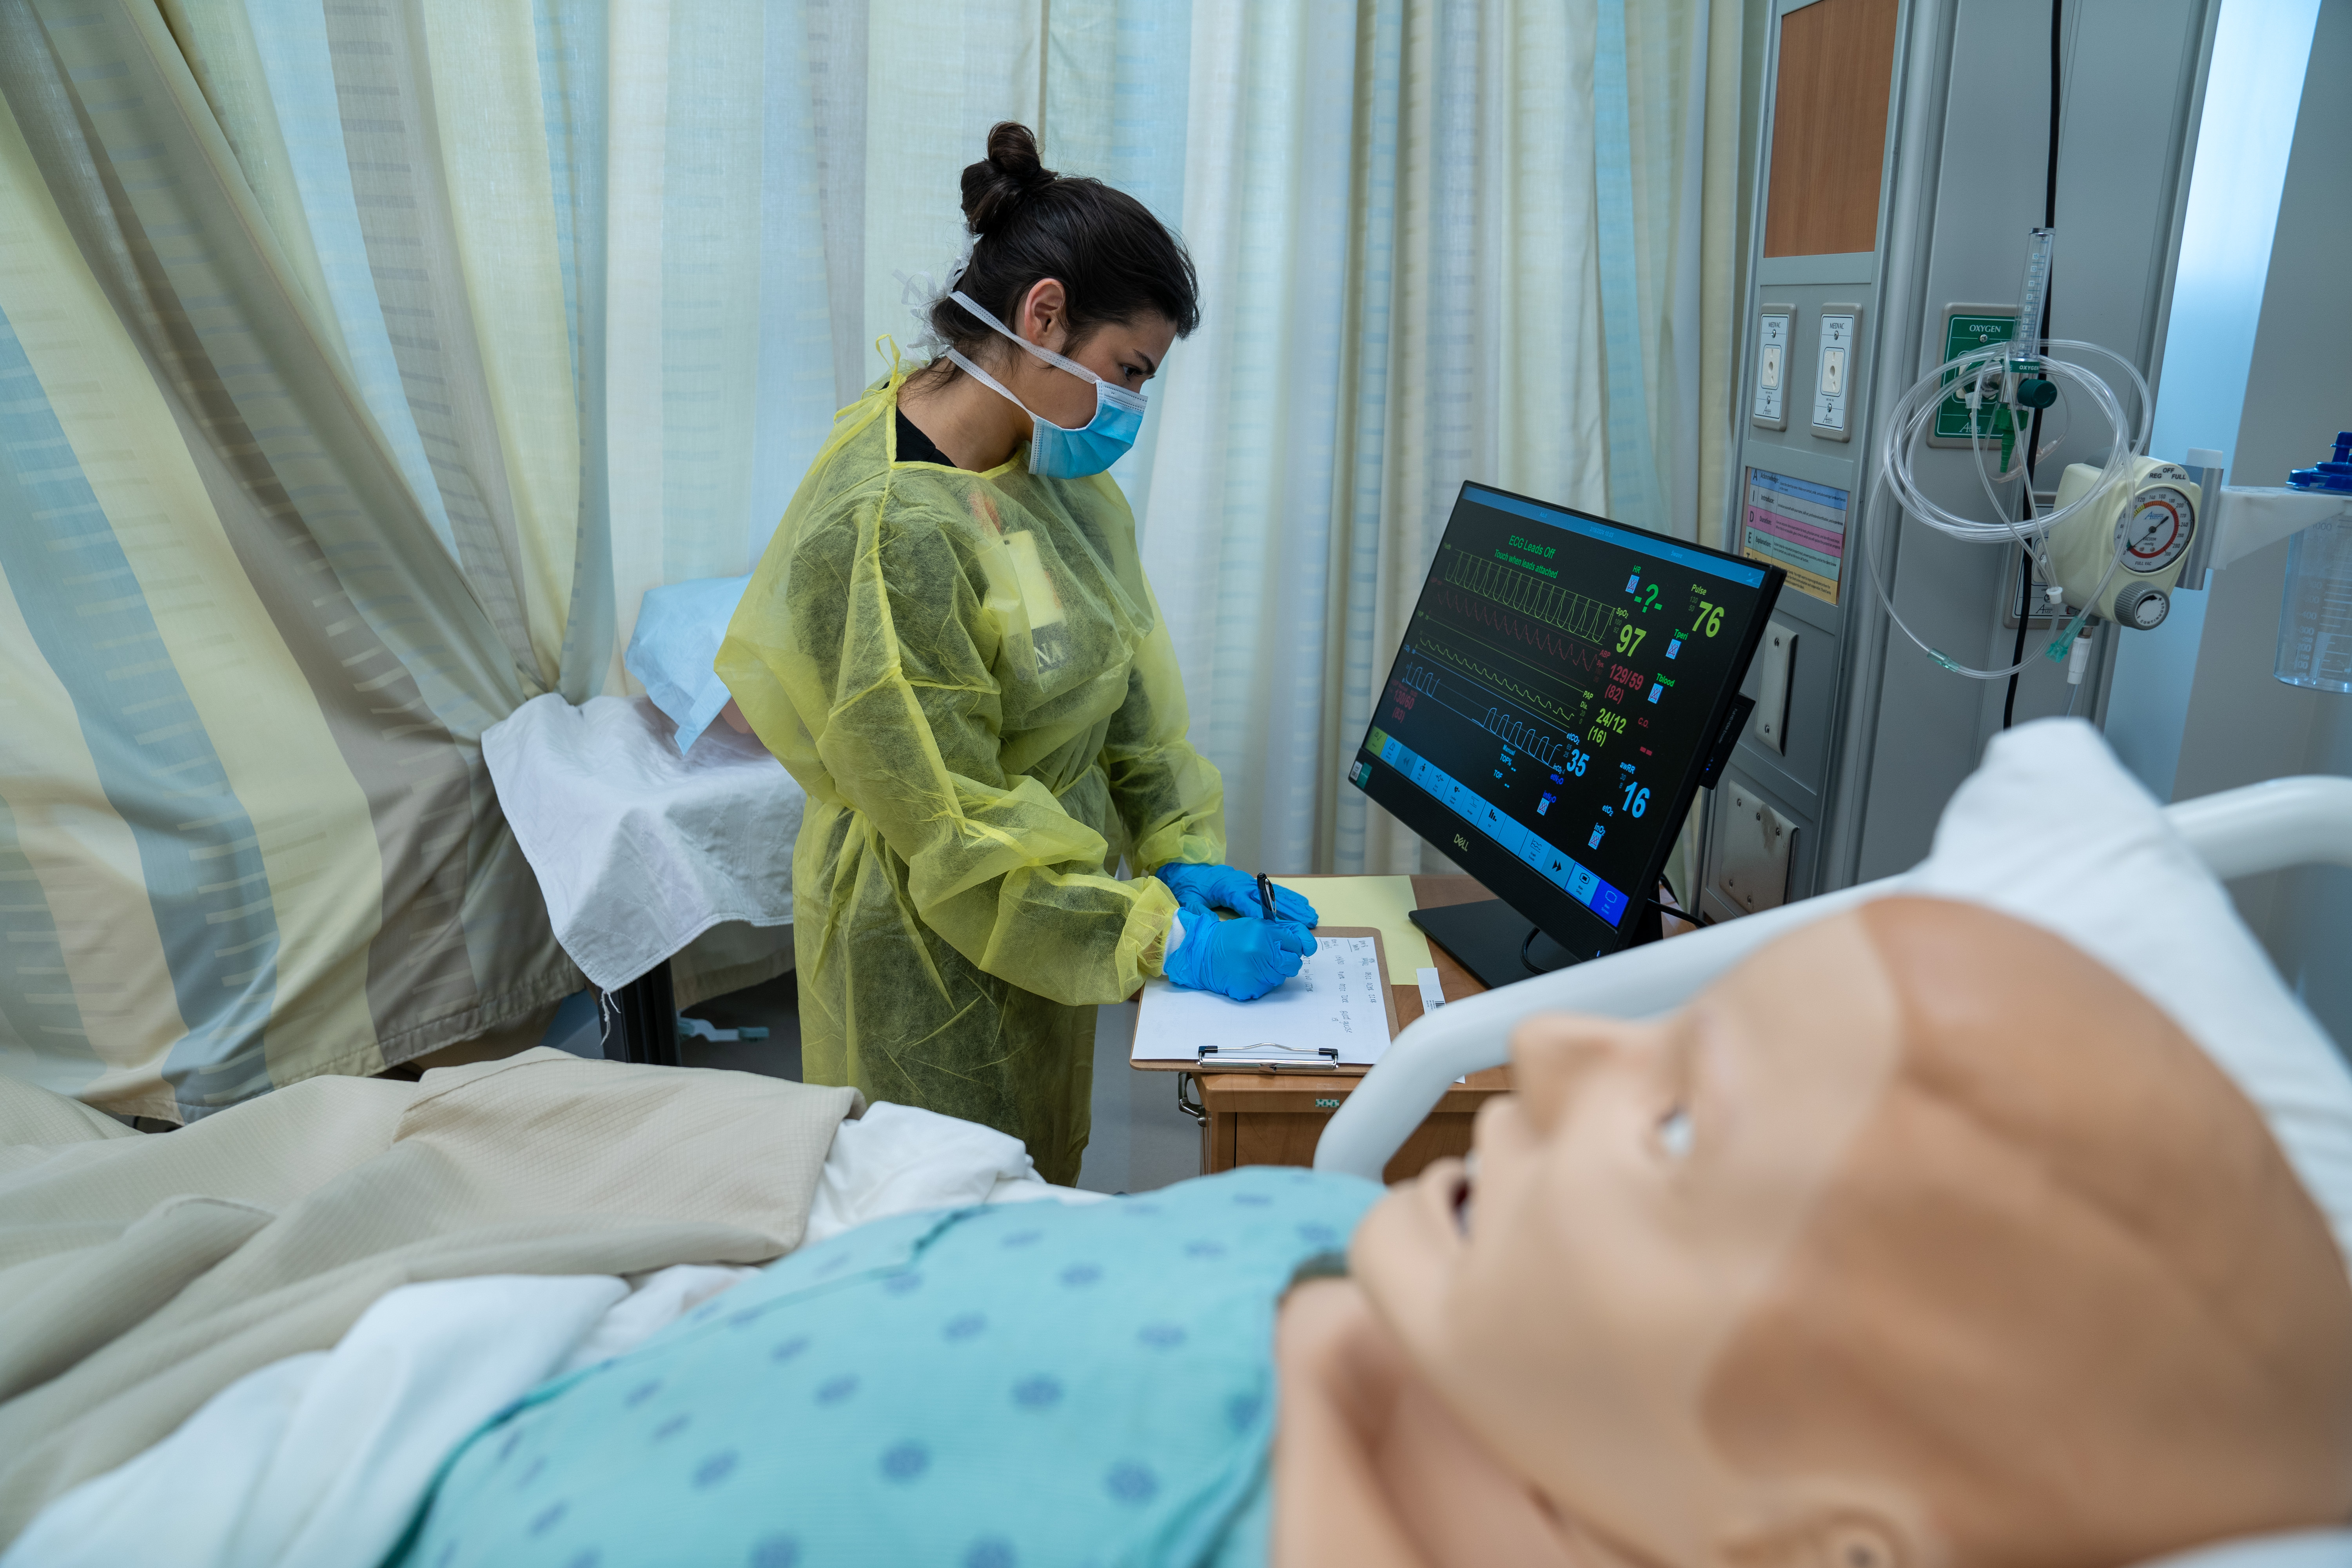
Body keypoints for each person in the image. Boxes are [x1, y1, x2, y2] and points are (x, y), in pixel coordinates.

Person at [385, 896, 2352, 1568]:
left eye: (1682, 1117)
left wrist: (1334, 1387)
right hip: (673, 1304)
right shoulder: (1510, 1360)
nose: (1564, 1048)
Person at [718, 123, 1316, 1186]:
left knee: (1036, 1189)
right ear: (1044, 315)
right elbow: (951, 823)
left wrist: (1174, 845)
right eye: (1127, 371)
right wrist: (1161, 940)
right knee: (940, 1212)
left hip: (1041, 916)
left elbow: (1117, 684)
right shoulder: (890, 532)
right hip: (930, 953)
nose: (1130, 408)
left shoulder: (1036, 473)